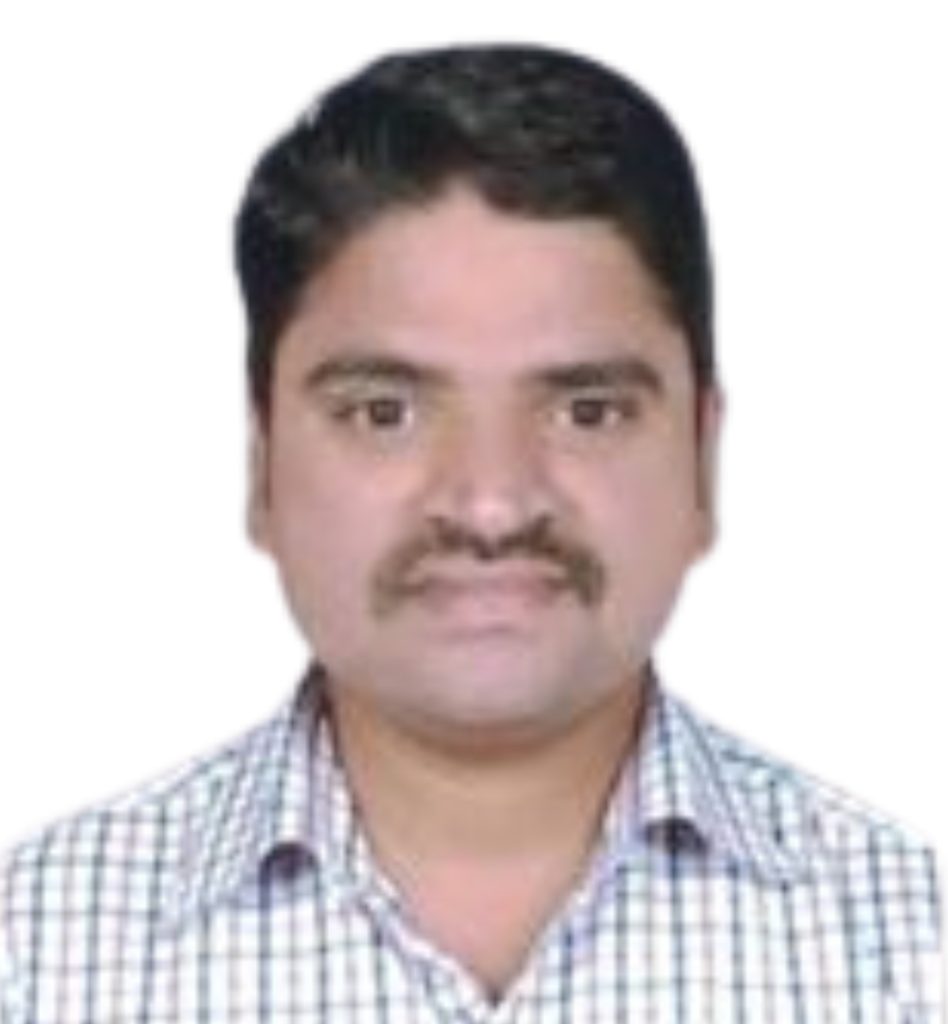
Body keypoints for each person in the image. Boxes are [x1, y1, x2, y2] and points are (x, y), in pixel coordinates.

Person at [0, 42, 941, 1023]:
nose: (491, 504)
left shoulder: (914, 949)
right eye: (384, 413)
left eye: (586, 412)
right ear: (261, 459)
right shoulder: (39, 959)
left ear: (703, 459)